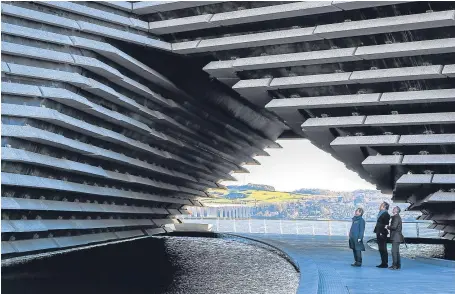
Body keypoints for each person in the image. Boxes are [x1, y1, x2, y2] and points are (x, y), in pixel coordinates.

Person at [374, 201, 390, 268]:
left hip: (382, 233)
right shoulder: (380, 213)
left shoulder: (386, 214)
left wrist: (381, 232)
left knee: (383, 248)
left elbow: (385, 224)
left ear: (384, 207)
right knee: (380, 248)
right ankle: (383, 262)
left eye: (381, 205)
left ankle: (385, 263)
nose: (380, 206)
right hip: (379, 232)